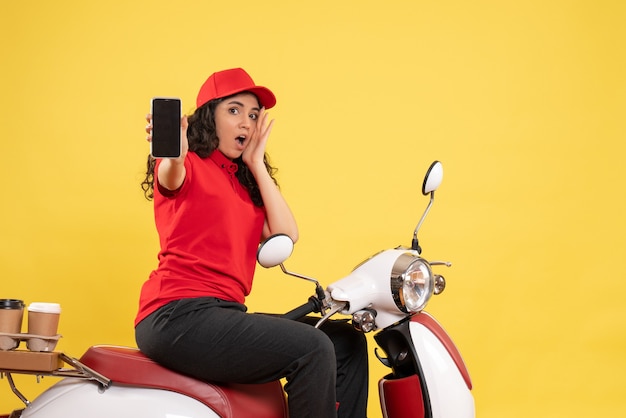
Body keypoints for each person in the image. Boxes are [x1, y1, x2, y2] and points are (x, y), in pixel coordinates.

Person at [135, 68, 368, 418]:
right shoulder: (191, 166)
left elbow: (287, 234)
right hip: (177, 314)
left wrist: (256, 164)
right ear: (208, 115)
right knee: (313, 347)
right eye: (234, 110)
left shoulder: (244, 186)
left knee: (346, 342)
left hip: (222, 314)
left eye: (254, 115)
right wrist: (174, 154)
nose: (246, 122)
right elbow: (171, 174)